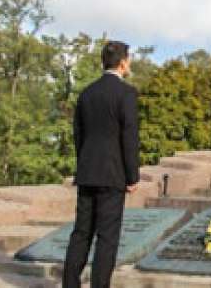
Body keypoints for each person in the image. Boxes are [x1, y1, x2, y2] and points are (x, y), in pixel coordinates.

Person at [63, 40, 139, 288]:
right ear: (123, 62)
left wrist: (83, 164)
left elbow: (78, 134)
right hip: (112, 174)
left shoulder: (86, 93)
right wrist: (132, 176)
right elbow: (129, 136)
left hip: (87, 172)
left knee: (81, 233)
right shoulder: (126, 93)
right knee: (107, 237)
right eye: (129, 59)